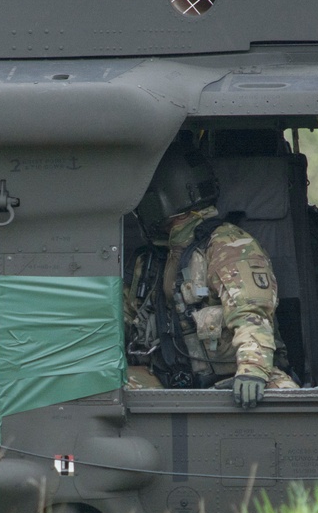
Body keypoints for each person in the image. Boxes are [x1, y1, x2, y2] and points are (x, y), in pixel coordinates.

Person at [124, 140, 297, 406]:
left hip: (232, 380)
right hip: (168, 378)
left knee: (284, 400)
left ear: (159, 200)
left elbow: (251, 314)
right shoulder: (152, 260)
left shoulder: (228, 246)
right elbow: (123, 320)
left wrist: (252, 370)